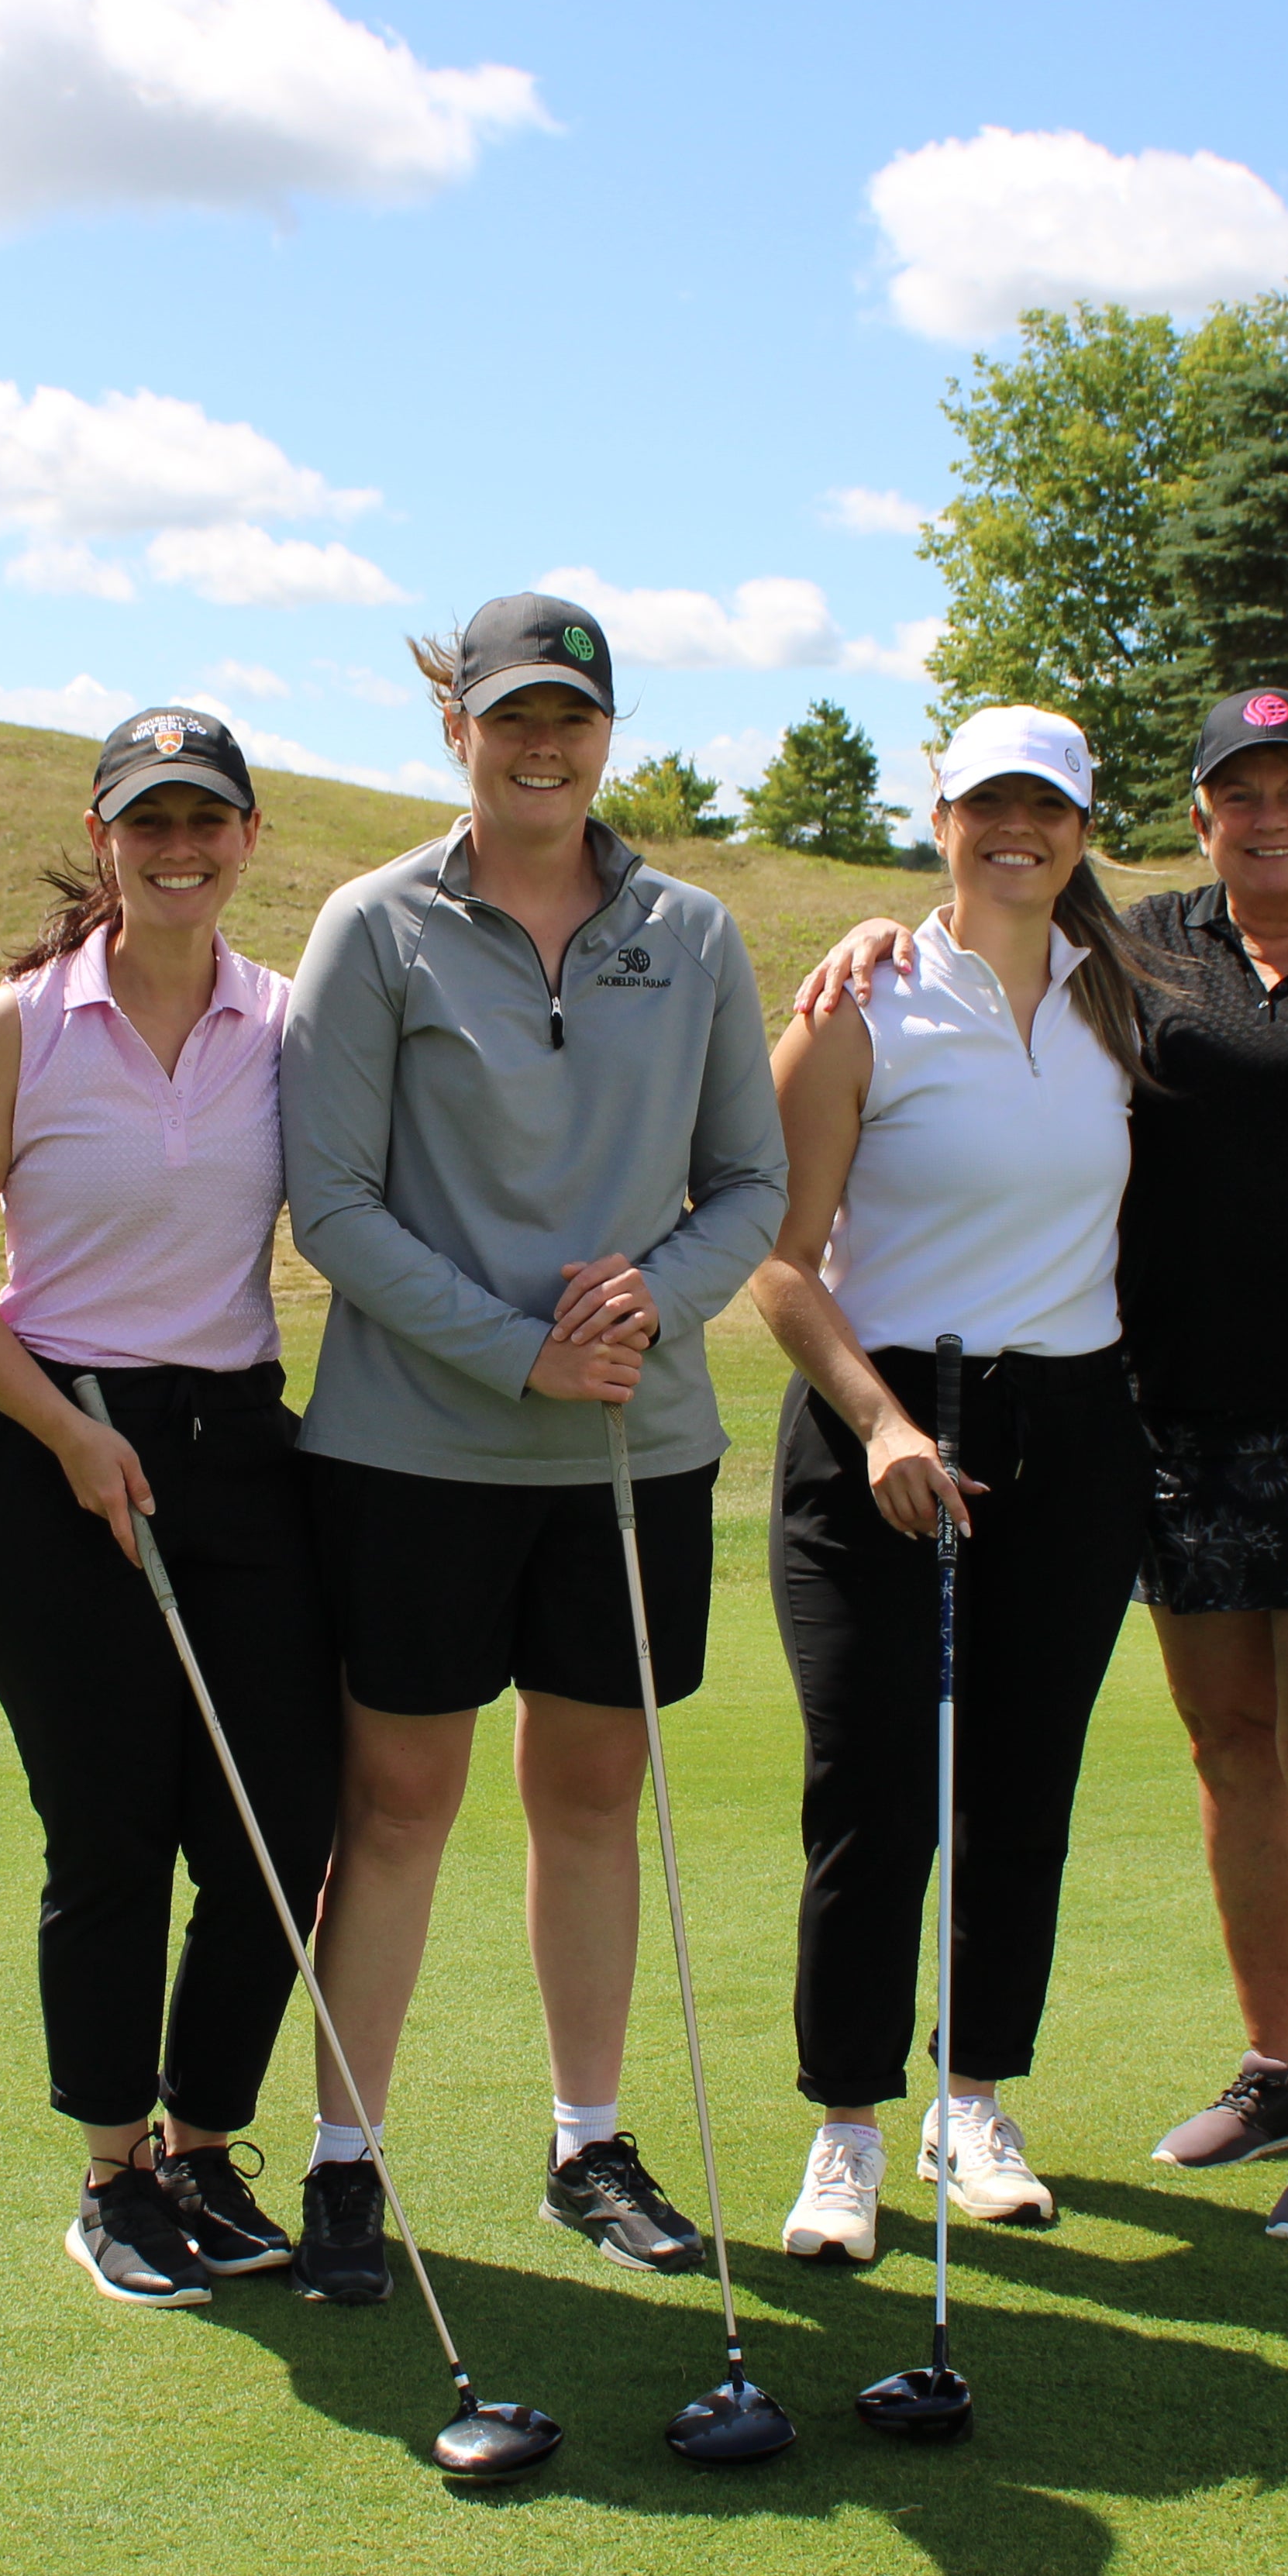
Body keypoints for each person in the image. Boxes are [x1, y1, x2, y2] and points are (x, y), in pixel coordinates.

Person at [791, 683, 1288, 2242]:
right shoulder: (1147, 954)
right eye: (1238, 793)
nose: (1271, 816)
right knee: (1227, 1749)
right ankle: (1270, 2068)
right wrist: (872, 933)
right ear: (1194, 818)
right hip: (1166, 1416)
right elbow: (963, 957)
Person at [274, 592, 787, 2303]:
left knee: (592, 1793)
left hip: (633, 1456)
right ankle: (347, 2159)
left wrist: (642, 1315)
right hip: (414, 1450)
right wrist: (521, 1354)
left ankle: (590, 2137)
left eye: (569, 715)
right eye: (510, 717)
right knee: (398, 1800)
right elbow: (332, 1205)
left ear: (607, 730)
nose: (541, 744)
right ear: (459, 731)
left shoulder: (696, 933)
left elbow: (755, 1189)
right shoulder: (376, 926)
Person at [0, 707, 332, 2309]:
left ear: (249, 838)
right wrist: (70, 1436)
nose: (178, 847)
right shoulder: (22, 1022)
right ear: (104, 838)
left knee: (284, 1825)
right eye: (149, 821)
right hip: (43, 1456)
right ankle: (111, 2170)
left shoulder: (288, 1019)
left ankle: (204, 2150)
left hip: (234, 1448)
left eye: (206, 820)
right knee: (114, 1831)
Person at [745, 705, 1153, 2264]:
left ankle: (971, 2102)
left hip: (1074, 1435)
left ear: (1079, 827)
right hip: (883, 1438)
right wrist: (881, 1422)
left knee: (1018, 1794)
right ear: (941, 819)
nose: (1016, 830)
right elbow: (778, 1267)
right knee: (871, 1797)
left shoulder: (1125, 996)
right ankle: (846, 2128)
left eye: (1044, 807)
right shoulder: (863, 1001)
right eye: (989, 803)